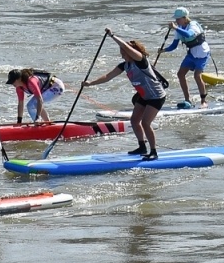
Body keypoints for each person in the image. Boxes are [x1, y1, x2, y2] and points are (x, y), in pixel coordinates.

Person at [83, 31, 167, 160]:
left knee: (145, 123)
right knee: (134, 121)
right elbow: (108, 77)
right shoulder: (124, 65)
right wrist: (90, 83)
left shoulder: (140, 61)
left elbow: (127, 47)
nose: (122, 54)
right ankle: (142, 147)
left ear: (130, 52)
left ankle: (154, 152)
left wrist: (112, 36)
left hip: (156, 96)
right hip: (143, 95)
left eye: (123, 52)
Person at [163, 8, 212, 107]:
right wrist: (163, 50)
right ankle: (187, 100)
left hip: (202, 53)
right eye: (176, 19)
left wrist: (176, 28)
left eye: (178, 19)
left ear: (185, 18)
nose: (177, 21)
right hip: (192, 54)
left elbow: (189, 34)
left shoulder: (193, 25)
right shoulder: (179, 29)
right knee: (180, 74)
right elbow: (174, 45)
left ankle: (203, 101)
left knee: (197, 76)